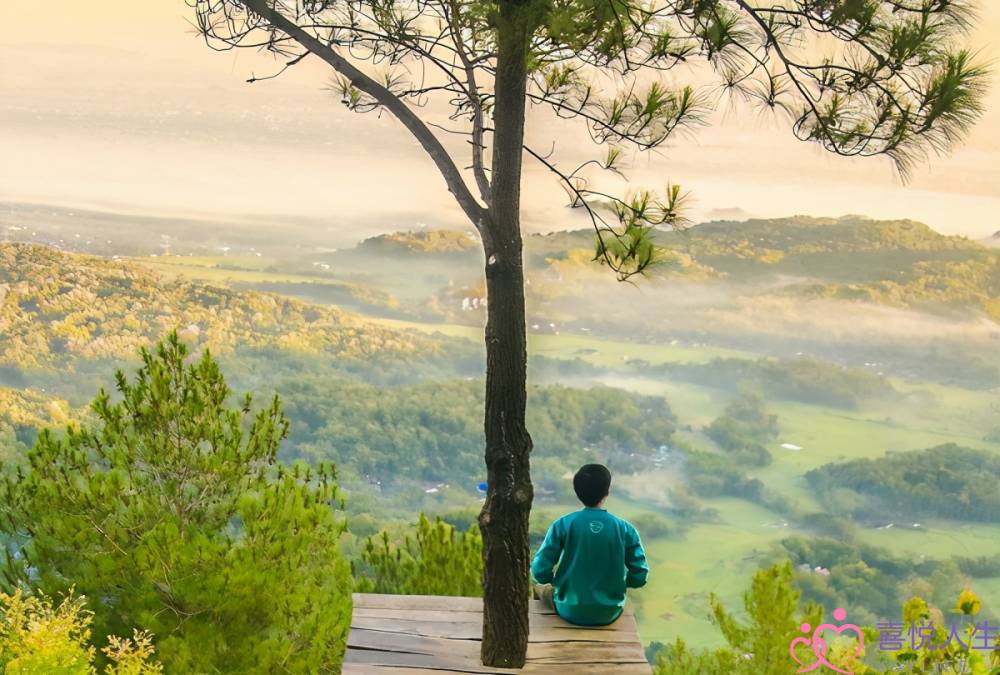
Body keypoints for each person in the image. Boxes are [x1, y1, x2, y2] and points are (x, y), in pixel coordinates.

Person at [530, 463, 649, 626]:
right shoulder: (626, 529)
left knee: (539, 588)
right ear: (607, 492)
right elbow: (640, 575)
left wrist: (556, 583)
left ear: (577, 492)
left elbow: (539, 570)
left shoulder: (563, 524)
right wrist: (620, 582)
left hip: (568, 609)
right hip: (610, 612)